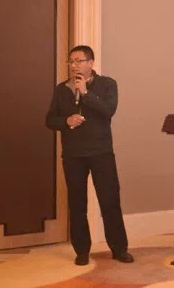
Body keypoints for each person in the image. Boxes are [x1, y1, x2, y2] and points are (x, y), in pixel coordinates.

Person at [46, 45, 134, 266]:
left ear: (91, 62)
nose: (74, 65)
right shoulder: (61, 89)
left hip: (101, 152)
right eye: (71, 61)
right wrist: (66, 121)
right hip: (73, 154)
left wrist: (85, 92)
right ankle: (82, 251)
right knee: (77, 204)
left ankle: (119, 249)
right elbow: (50, 120)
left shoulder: (107, 84)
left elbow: (108, 111)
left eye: (79, 61)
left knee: (110, 201)